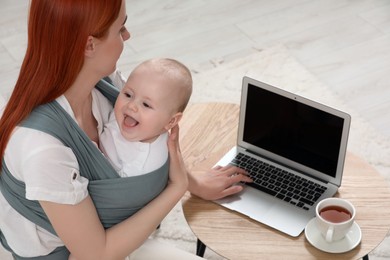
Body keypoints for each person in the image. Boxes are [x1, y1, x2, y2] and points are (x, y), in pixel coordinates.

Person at [0, 0, 251, 259]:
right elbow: (95, 254)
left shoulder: (100, 83)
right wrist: (177, 187)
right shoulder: (42, 149)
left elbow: (139, 138)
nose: (128, 36)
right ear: (89, 45)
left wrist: (194, 182)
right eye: (121, 29)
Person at [99, 58, 192, 178]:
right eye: (128, 95)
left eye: (146, 104)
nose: (131, 105)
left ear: (171, 121)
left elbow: (121, 191)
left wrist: (94, 155)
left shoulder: (146, 163)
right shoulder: (123, 114)